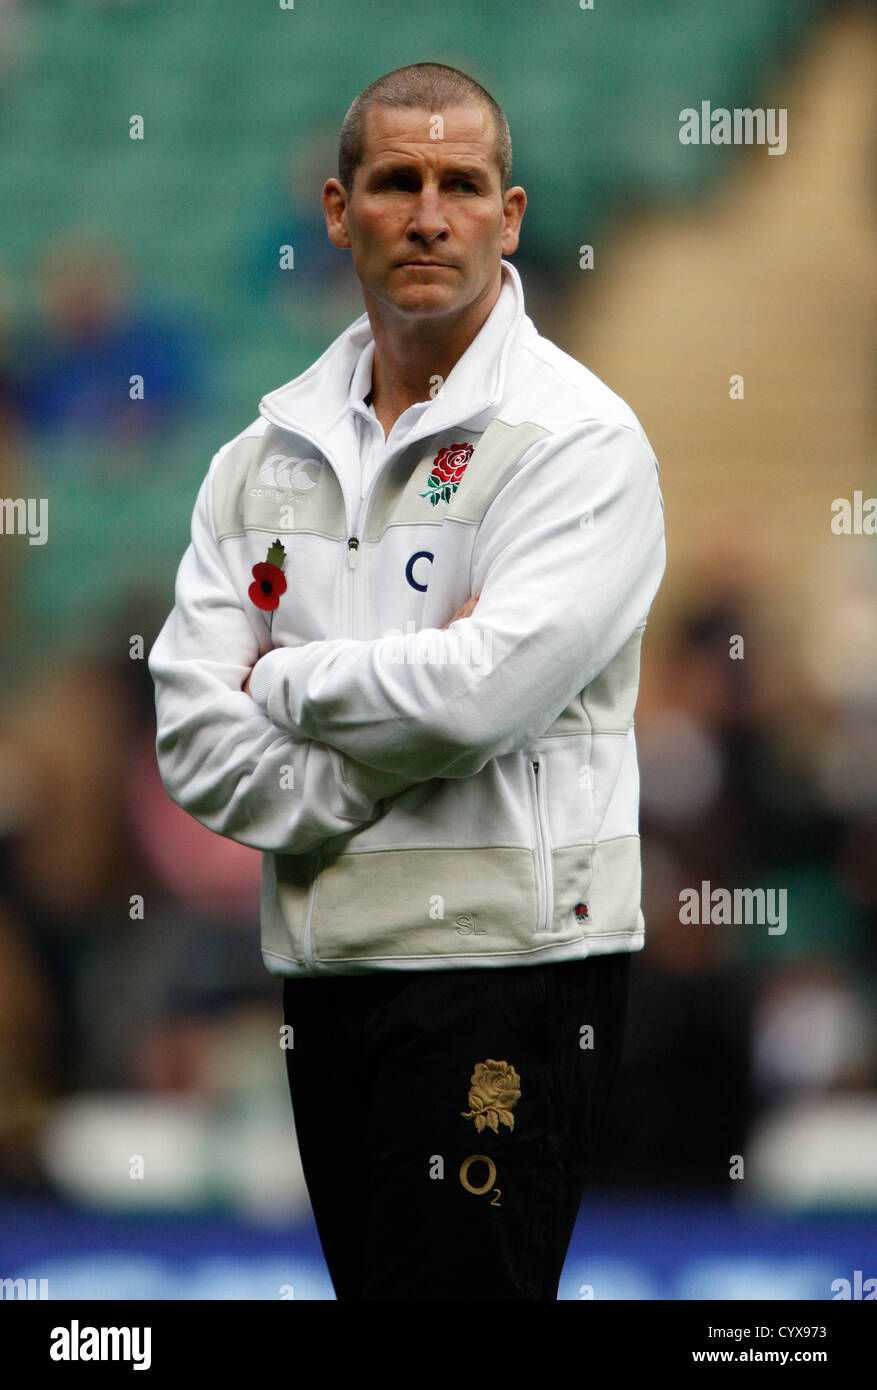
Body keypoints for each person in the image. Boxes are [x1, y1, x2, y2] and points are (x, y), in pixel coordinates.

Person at [148, 62, 666, 1300]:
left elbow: (481, 695)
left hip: (512, 973)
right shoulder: (257, 458)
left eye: (460, 184)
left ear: (511, 214)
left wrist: (289, 681)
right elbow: (189, 740)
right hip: (327, 975)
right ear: (338, 210)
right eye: (396, 182)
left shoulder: (580, 441)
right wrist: (409, 717)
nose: (428, 214)